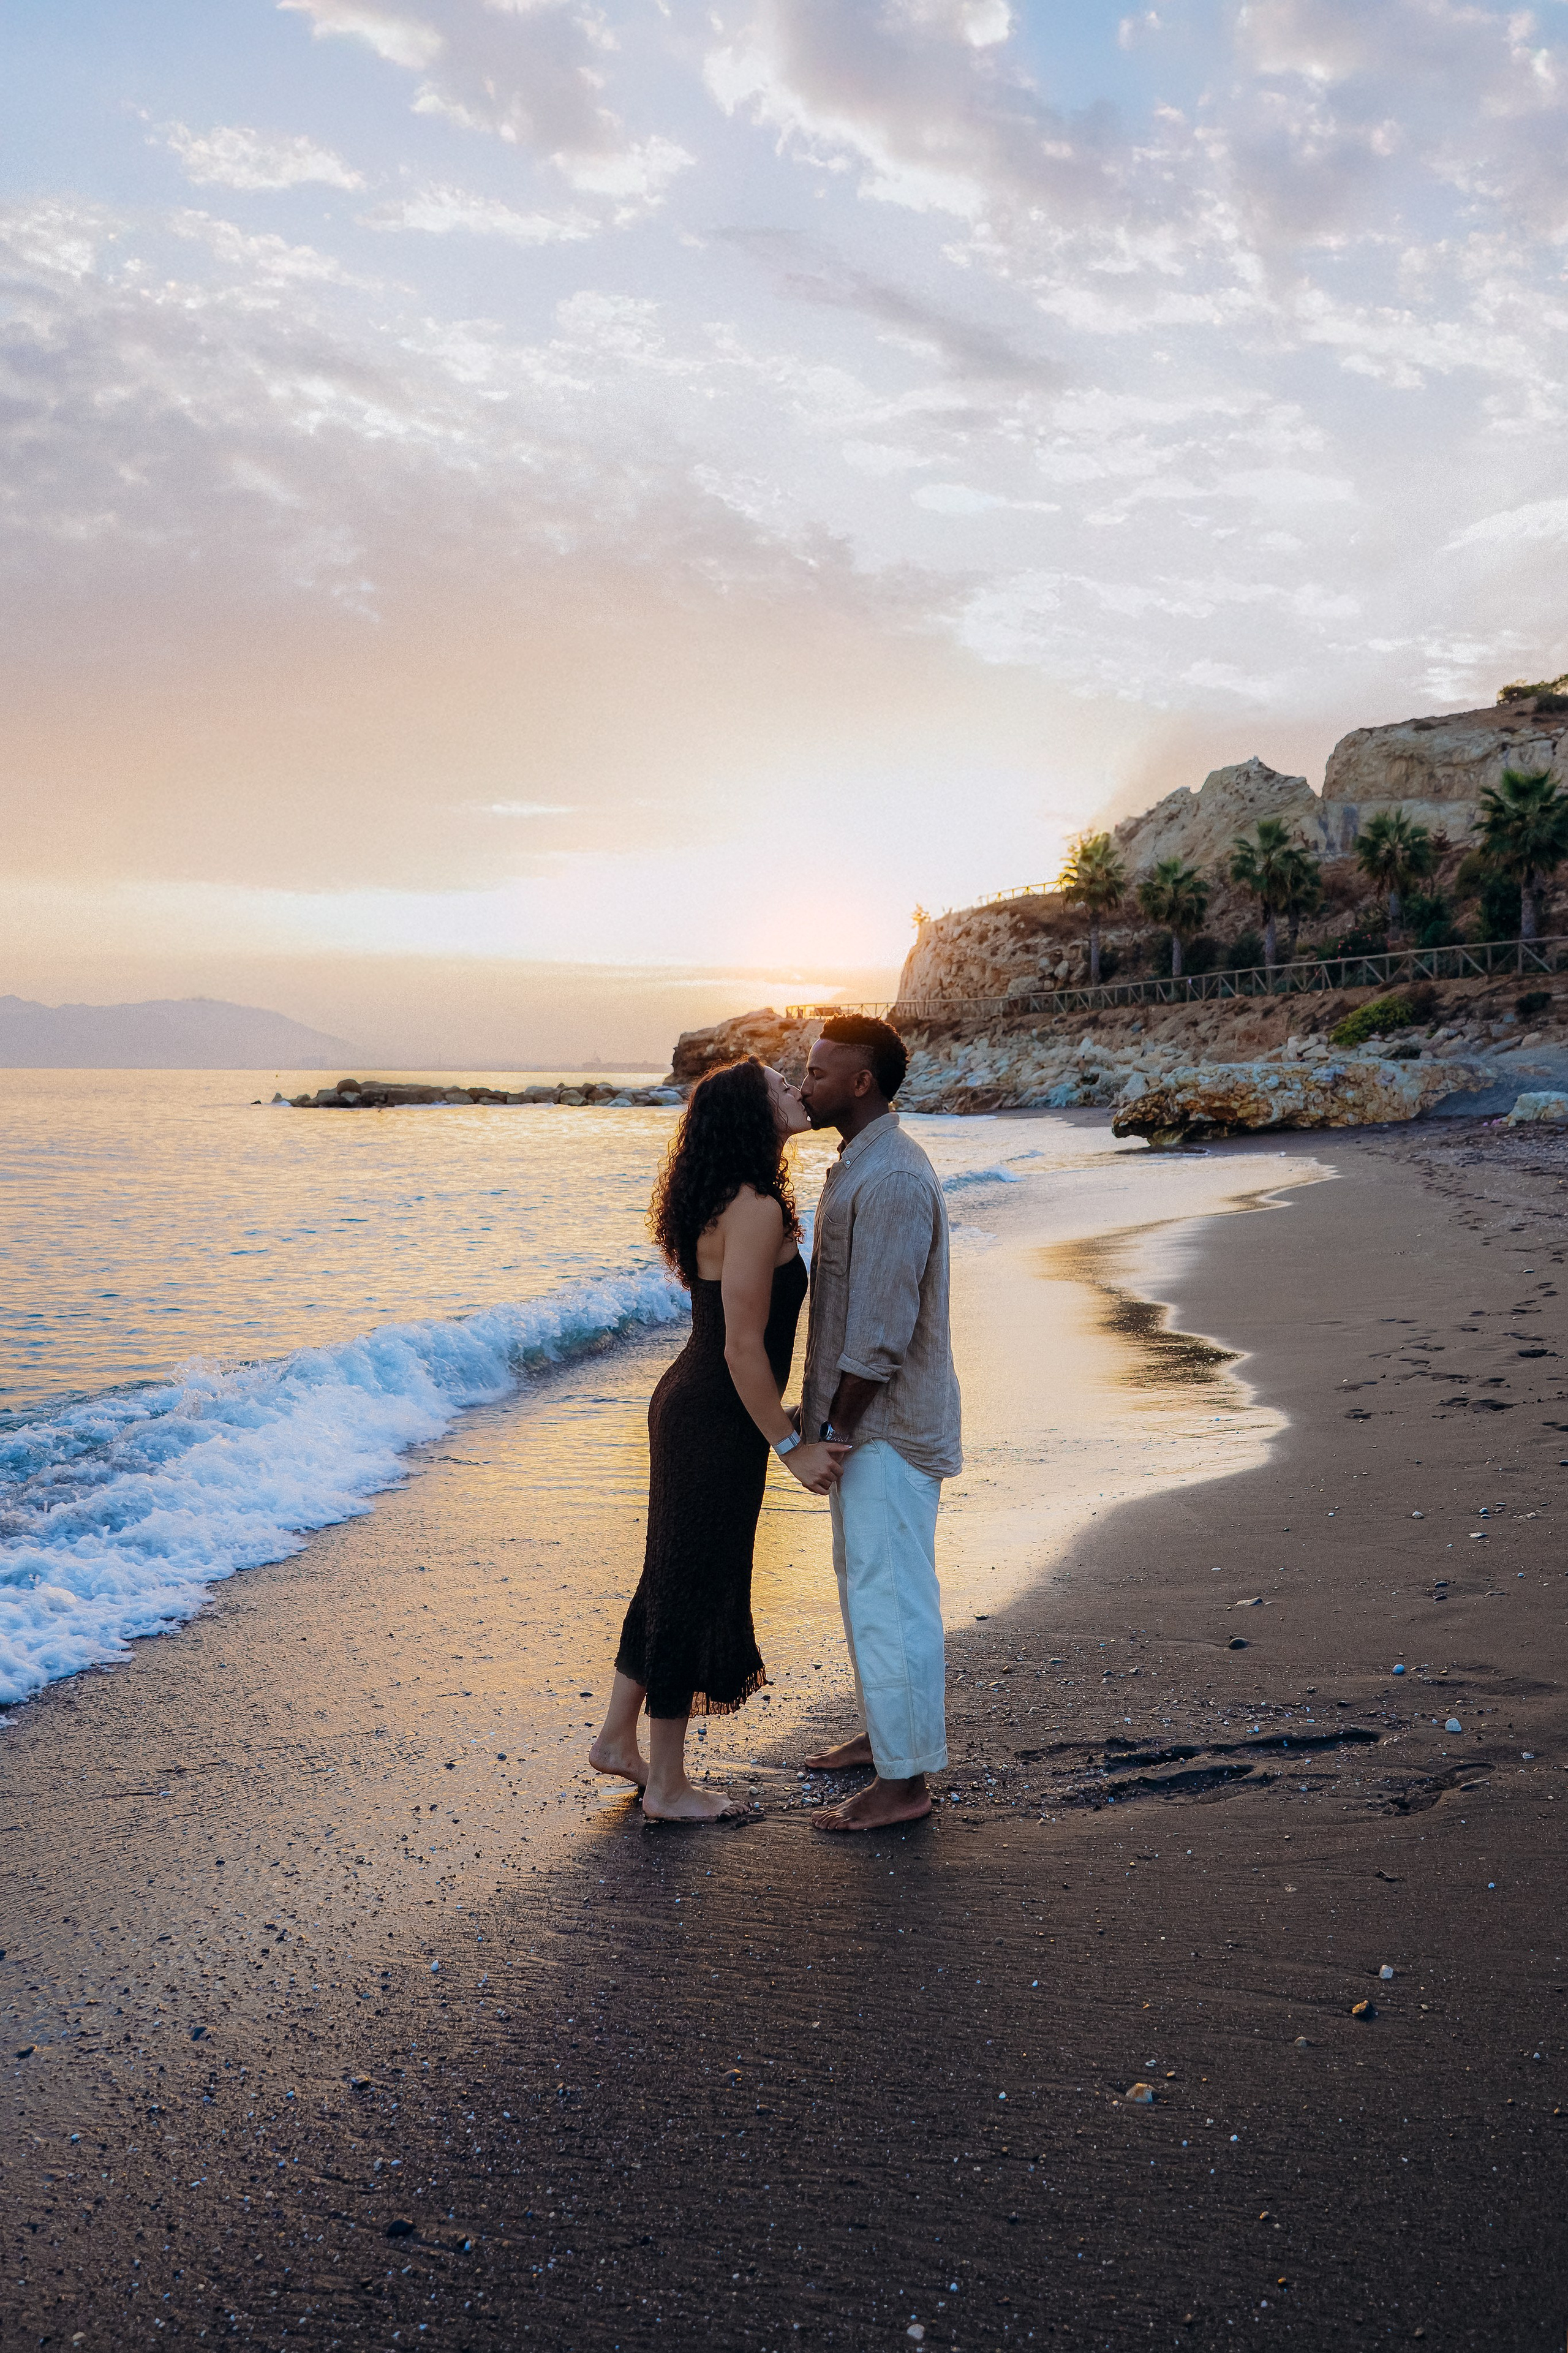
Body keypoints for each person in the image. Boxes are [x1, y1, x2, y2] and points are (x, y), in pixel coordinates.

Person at [590, 1057, 846, 1823]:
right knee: (693, 1581)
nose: (796, 1091)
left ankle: (616, 1740)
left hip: (699, 1403)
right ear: (750, 1113)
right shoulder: (755, 1207)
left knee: (671, 1572)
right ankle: (666, 1786)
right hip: (714, 1411)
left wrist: (775, 1416)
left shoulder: (730, 1197)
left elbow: (743, 1344)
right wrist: (787, 1443)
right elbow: (742, 1347)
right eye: (780, 1086)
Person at [796, 1014, 961, 1832]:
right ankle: (885, 1739)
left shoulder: (892, 1177)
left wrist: (832, 1428)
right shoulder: (860, 1163)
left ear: (863, 1083)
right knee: (868, 1584)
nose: (807, 1082)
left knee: (890, 1594)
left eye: (822, 1071)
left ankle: (905, 1783)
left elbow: (881, 1333)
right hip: (865, 1424)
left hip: (884, 1427)